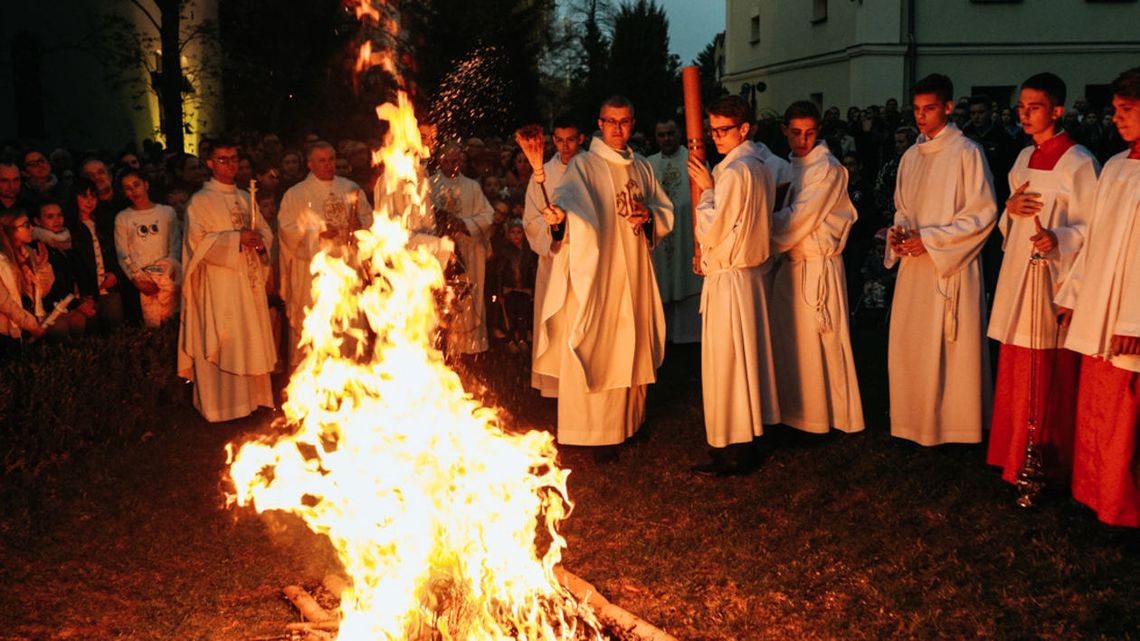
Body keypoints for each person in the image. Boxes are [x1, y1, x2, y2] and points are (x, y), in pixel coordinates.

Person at [534, 95, 674, 456]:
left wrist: (649, 217)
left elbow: (661, 208)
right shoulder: (585, 164)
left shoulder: (641, 165)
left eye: (624, 122)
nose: (617, 129)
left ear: (633, 123)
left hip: (636, 269)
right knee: (603, 341)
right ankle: (595, 432)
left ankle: (631, 422)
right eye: (611, 121)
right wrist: (561, 217)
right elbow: (568, 198)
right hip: (602, 270)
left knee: (634, 338)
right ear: (599, 123)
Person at [987, 73, 1100, 487]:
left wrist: (1060, 237)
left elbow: (1093, 228)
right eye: (1021, 107)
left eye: (1034, 107)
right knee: (1017, 362)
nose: (1025, 114)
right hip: (1020, 272)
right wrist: (1010, 208)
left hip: (1055, 278)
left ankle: (1048, 460)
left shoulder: (1080, 161)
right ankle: (1013, 453)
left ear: (1057, 110)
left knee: (1046, 367)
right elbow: (1009, 222)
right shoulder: (1021, 159)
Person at [886, 73, 998, 446]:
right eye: (916, 110)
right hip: (914, 269)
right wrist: (901, 234)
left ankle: (954, 425)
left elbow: (983, 213)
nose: (921, 117)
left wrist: (931, 240)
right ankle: (912, 420)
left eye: (929, 109)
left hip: (951, 267)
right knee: (911, 343)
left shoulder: (967, 152)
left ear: (949, 108)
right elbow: (903, 207)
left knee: (949, 345)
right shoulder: (910, 156)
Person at [1054, 67, 1140, 527]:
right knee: (1097, 406)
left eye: (1127, 110)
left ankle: (1124, 506)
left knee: (1126, 416)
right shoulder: (1117, 166)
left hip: (1129, 317)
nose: (1118, 119)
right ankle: (1094, 494)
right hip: (1100, 308)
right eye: (1117, 110)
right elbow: (1098, 240)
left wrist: (1134, 321)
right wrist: (1074, 293)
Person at [685, 95, 778, 475]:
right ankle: (744, 438)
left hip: (731, 277)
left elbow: (712, 227)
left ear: (744, 129)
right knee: (742, 358)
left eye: (724, 130)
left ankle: (736, 447)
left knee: (729, 362)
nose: (716, 137)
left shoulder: (736, 171)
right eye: (712, 130)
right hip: (745, 278)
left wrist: (707, 189)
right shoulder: (758, 165)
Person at [768, 101, 864, 435]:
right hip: (791, 264)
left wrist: (759, 225)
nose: (802, 140)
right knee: (791, 342)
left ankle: (825, 417)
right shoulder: (785, 166)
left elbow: (800, 217)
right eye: (795, 132)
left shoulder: (827, 168)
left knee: (819, 343)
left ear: (818, 131)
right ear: (785, 130)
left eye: (809, 133)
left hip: (818, 265)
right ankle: (796, 413)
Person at [178, 141, 277, 423]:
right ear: (209, 163)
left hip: (247, 281)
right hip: (218, 284)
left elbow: (265, 234)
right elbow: (198, 243)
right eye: (223, 160)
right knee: (222, 338)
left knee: (248, 337)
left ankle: (251, 401)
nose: (230, 164)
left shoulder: (247, 197)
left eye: (234, 159)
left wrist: (259, 244)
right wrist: (236, 239)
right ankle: (220, 406)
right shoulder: (201, 201)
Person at [277, 141, 372, 367]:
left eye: (331, 159)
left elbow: (368, 222)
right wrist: (317, 234)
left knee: (348, 326)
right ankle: (312, 387)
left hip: (347, 268)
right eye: (322, 160)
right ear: (309, 164)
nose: (328, 165)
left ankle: (351, 384)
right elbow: (287, 231)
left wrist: (361, 226)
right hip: (315, 272)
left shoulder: (350, 188)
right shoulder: (296, 194)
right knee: (317, 328)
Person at [523, 115, 584, 397]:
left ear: (581, 138)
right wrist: (552, 231)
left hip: (585, 258)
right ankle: (557, 385)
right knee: (557, 322)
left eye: (570, 139)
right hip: (555, 258)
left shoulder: (592, 168)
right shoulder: (542, 174)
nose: (565, 146)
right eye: (559, 139)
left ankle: (583, 380)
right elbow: (530, 221)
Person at [431, 141, 494, 356]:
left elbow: (488, 215)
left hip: (467, 249)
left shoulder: (472, 187)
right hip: (437, 252)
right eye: (446, 161)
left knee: (468, 294)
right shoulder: (428, 185)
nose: (451, 165)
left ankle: (468, 346)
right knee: (437, 296)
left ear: (461, 161)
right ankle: (438, 344)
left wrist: (464, 224)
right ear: (439, 161)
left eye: (455, 160)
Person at [648, 117, 702, 344]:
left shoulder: (694, 161)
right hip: (659, 239)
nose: (666, 139)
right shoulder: (648, 164)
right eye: (661, 135)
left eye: (670, 133)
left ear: (679, 133)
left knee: (685, 280)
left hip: (687, 236)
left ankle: (689, 339)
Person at [115, 169, 182, 328]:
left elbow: (175, 245)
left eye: (136, 185)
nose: (133, 191)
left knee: (171, 322)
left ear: (146, 184)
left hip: (167, 278)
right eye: (128, 188)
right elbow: (123, 253)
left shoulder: (166, 212)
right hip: (142, 281)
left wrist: (167, 273)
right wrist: (138, 280)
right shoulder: (123, 218)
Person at [32, 200, 90, 341]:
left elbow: (79, 272)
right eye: (50, 217)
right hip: (52, 309)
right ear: (37, 221)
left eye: (59, 215)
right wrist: (77, 304)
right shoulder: (38, 247)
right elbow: (51, 284)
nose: (56, 220)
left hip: (72, 304)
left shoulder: (66, 242)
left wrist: (86, 296)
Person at [0, 209, 49, 354]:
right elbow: (5, 303)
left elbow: (44, 291)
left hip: (31, 321)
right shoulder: (2, 261)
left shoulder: (29, 253)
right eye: (26, 225)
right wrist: (31, 325)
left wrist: (42, 266)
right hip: (8, 329)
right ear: (11, 231)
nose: (32, 228)